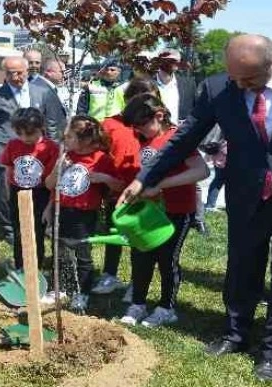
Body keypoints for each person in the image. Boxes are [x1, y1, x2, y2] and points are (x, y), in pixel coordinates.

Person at [118, 34, 272, 381]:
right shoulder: (218, 88)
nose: (240, 85)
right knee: (242, 266)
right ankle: (235, 332)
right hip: (246, 192)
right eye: (235, 78)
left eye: (250, 79)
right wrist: (145, 177)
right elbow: (186, 137)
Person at [118, 94, 209, 327]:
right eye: (135, 127)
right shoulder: (144, 140)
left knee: (167, 259)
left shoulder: (177, 139)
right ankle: (138, 303)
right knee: (141, 256)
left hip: (177, 210)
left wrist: (160, 185)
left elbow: (201, 171)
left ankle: (166, 307)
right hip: (148, 212)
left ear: (159, 116)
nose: (139, 130)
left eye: (142, 125)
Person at [44, 116, 124, 313]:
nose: (65, 140)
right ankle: (59, 288)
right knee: (59, 251)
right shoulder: (65, 156)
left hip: (84, 214)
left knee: (82, 254)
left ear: (86, 140)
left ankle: (83, 292)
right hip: (60, 210)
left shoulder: (101, 159)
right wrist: (57, 168)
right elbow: (49, 185)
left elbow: (119, 185)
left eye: (70, 137)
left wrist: (104, 178)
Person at [0, 56, 66, 243]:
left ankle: (41, 224)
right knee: (5, 191)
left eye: (19, 73)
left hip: (40, 152)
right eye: (10, 73)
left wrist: (54, 150)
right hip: (7, 150)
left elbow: (51, 124)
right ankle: (10, 228)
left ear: (27, 71)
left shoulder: (43, 92)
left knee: (40, 187)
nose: (15, 77)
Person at [92, 77, 157, 298]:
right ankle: (110, 273)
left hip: (144, 192)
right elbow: (100, 154)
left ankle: (137, 282)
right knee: (114, 232)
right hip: (116, 191)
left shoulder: (153, 127)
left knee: (139, 238)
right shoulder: (110, 124)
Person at [154, 48, 208, 235]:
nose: (173, 64)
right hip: (156, 135)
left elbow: (196, 109)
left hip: (182, 135)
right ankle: (158, 216)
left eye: (176, 61)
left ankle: (198, 219)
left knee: (193, 177)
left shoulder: (187, 83)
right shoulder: (149, 83)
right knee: (157, 173)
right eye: (169, 60)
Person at [0, 108, 59, 271]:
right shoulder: (13, 144)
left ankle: (35, 267)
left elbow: (52, 180)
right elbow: (8, 169)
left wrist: (49, 203)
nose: (25, 138)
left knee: (36, 232)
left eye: (30, 134)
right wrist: (8, 191)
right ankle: (20, 266)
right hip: (17, 192)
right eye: (20, 133)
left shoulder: (51, 147)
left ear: (41, 128)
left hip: (40, 194)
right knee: (19, 231)